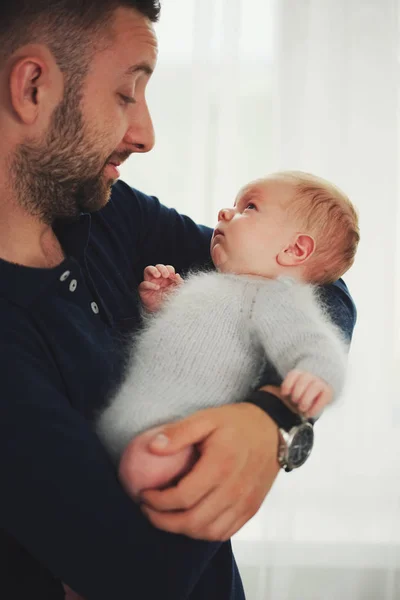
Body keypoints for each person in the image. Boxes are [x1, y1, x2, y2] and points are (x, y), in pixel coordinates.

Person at [0, 1, 357, 599]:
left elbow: (313, 281)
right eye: (126, 93)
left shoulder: (112, 212)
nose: (145, 134)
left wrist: (269, 419)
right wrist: (251, 436)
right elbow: (137, 571)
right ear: (32, 87)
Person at [97, 171, 359, 496]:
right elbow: (188, 336)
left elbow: (314, 342)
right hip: (130, 415)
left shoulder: (276, 296)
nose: (225, 212)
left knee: (142, 465)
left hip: (179, 432)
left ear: (294, 249)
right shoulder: (213, 282)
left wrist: (317, 374)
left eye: (249, 207)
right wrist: (163, 305)